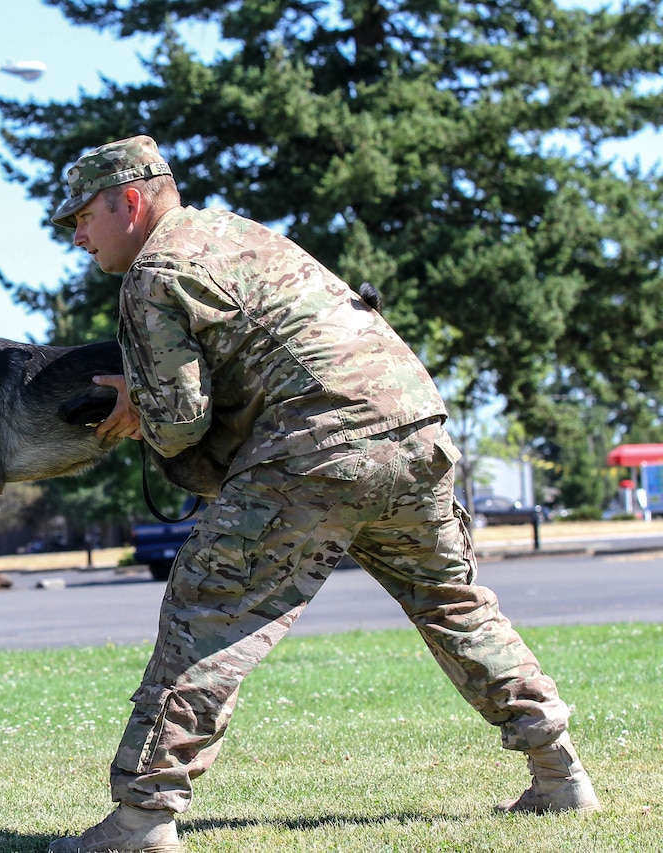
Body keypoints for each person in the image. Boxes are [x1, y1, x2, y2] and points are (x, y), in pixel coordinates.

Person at [47, 136, 600, 853]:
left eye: (82, 217)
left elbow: (180, 423)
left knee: (205, 614)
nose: (77, 236)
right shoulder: (240, 233)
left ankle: (142, 818)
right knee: (453, 602)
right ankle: (560, 773)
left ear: (129, 200)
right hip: (414, 426)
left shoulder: (154, 271)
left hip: (320, 448)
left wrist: (137, 410)